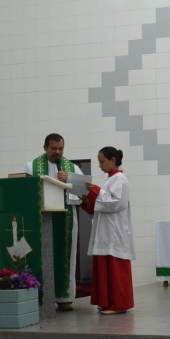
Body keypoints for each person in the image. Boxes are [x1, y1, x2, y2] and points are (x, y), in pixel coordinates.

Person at [25, 133, 82, 311]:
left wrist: (70, 180)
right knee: (41, 256)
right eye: (53, 148)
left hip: (65, 219)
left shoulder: (71, 168)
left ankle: (64, 297)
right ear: (45, 148)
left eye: (61, 148)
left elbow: (82, 193)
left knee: (65, 256)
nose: (57, 152)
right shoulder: (32, 166)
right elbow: (28, 191)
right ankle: (41, 297)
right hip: (41, 218)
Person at [83, 147, 135, 315]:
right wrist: (86, 199)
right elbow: (100, 203)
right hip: (105, 230)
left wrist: (96, 191)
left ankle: (118, 304)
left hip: (115, 231)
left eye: (102, 161)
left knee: (115, 269)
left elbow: (117, 203)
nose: (100, 165)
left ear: (113, 160)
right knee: (105, 267)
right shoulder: (109, 180)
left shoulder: (121, 179)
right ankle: (106, 301)